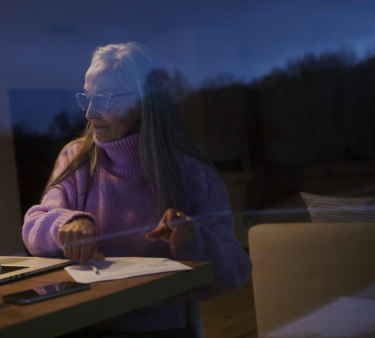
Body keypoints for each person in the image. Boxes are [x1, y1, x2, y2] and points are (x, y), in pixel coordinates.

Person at [22, 41, 252, 337]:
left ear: (145, 104)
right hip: (75, 319)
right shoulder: (77, 158)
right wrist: (64, 224)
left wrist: (193, 238)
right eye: (86, 98)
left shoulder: (191, 173)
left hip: (154, 330)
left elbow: (234, 274)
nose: (89, 113)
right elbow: (33, 226)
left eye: (104, 99)